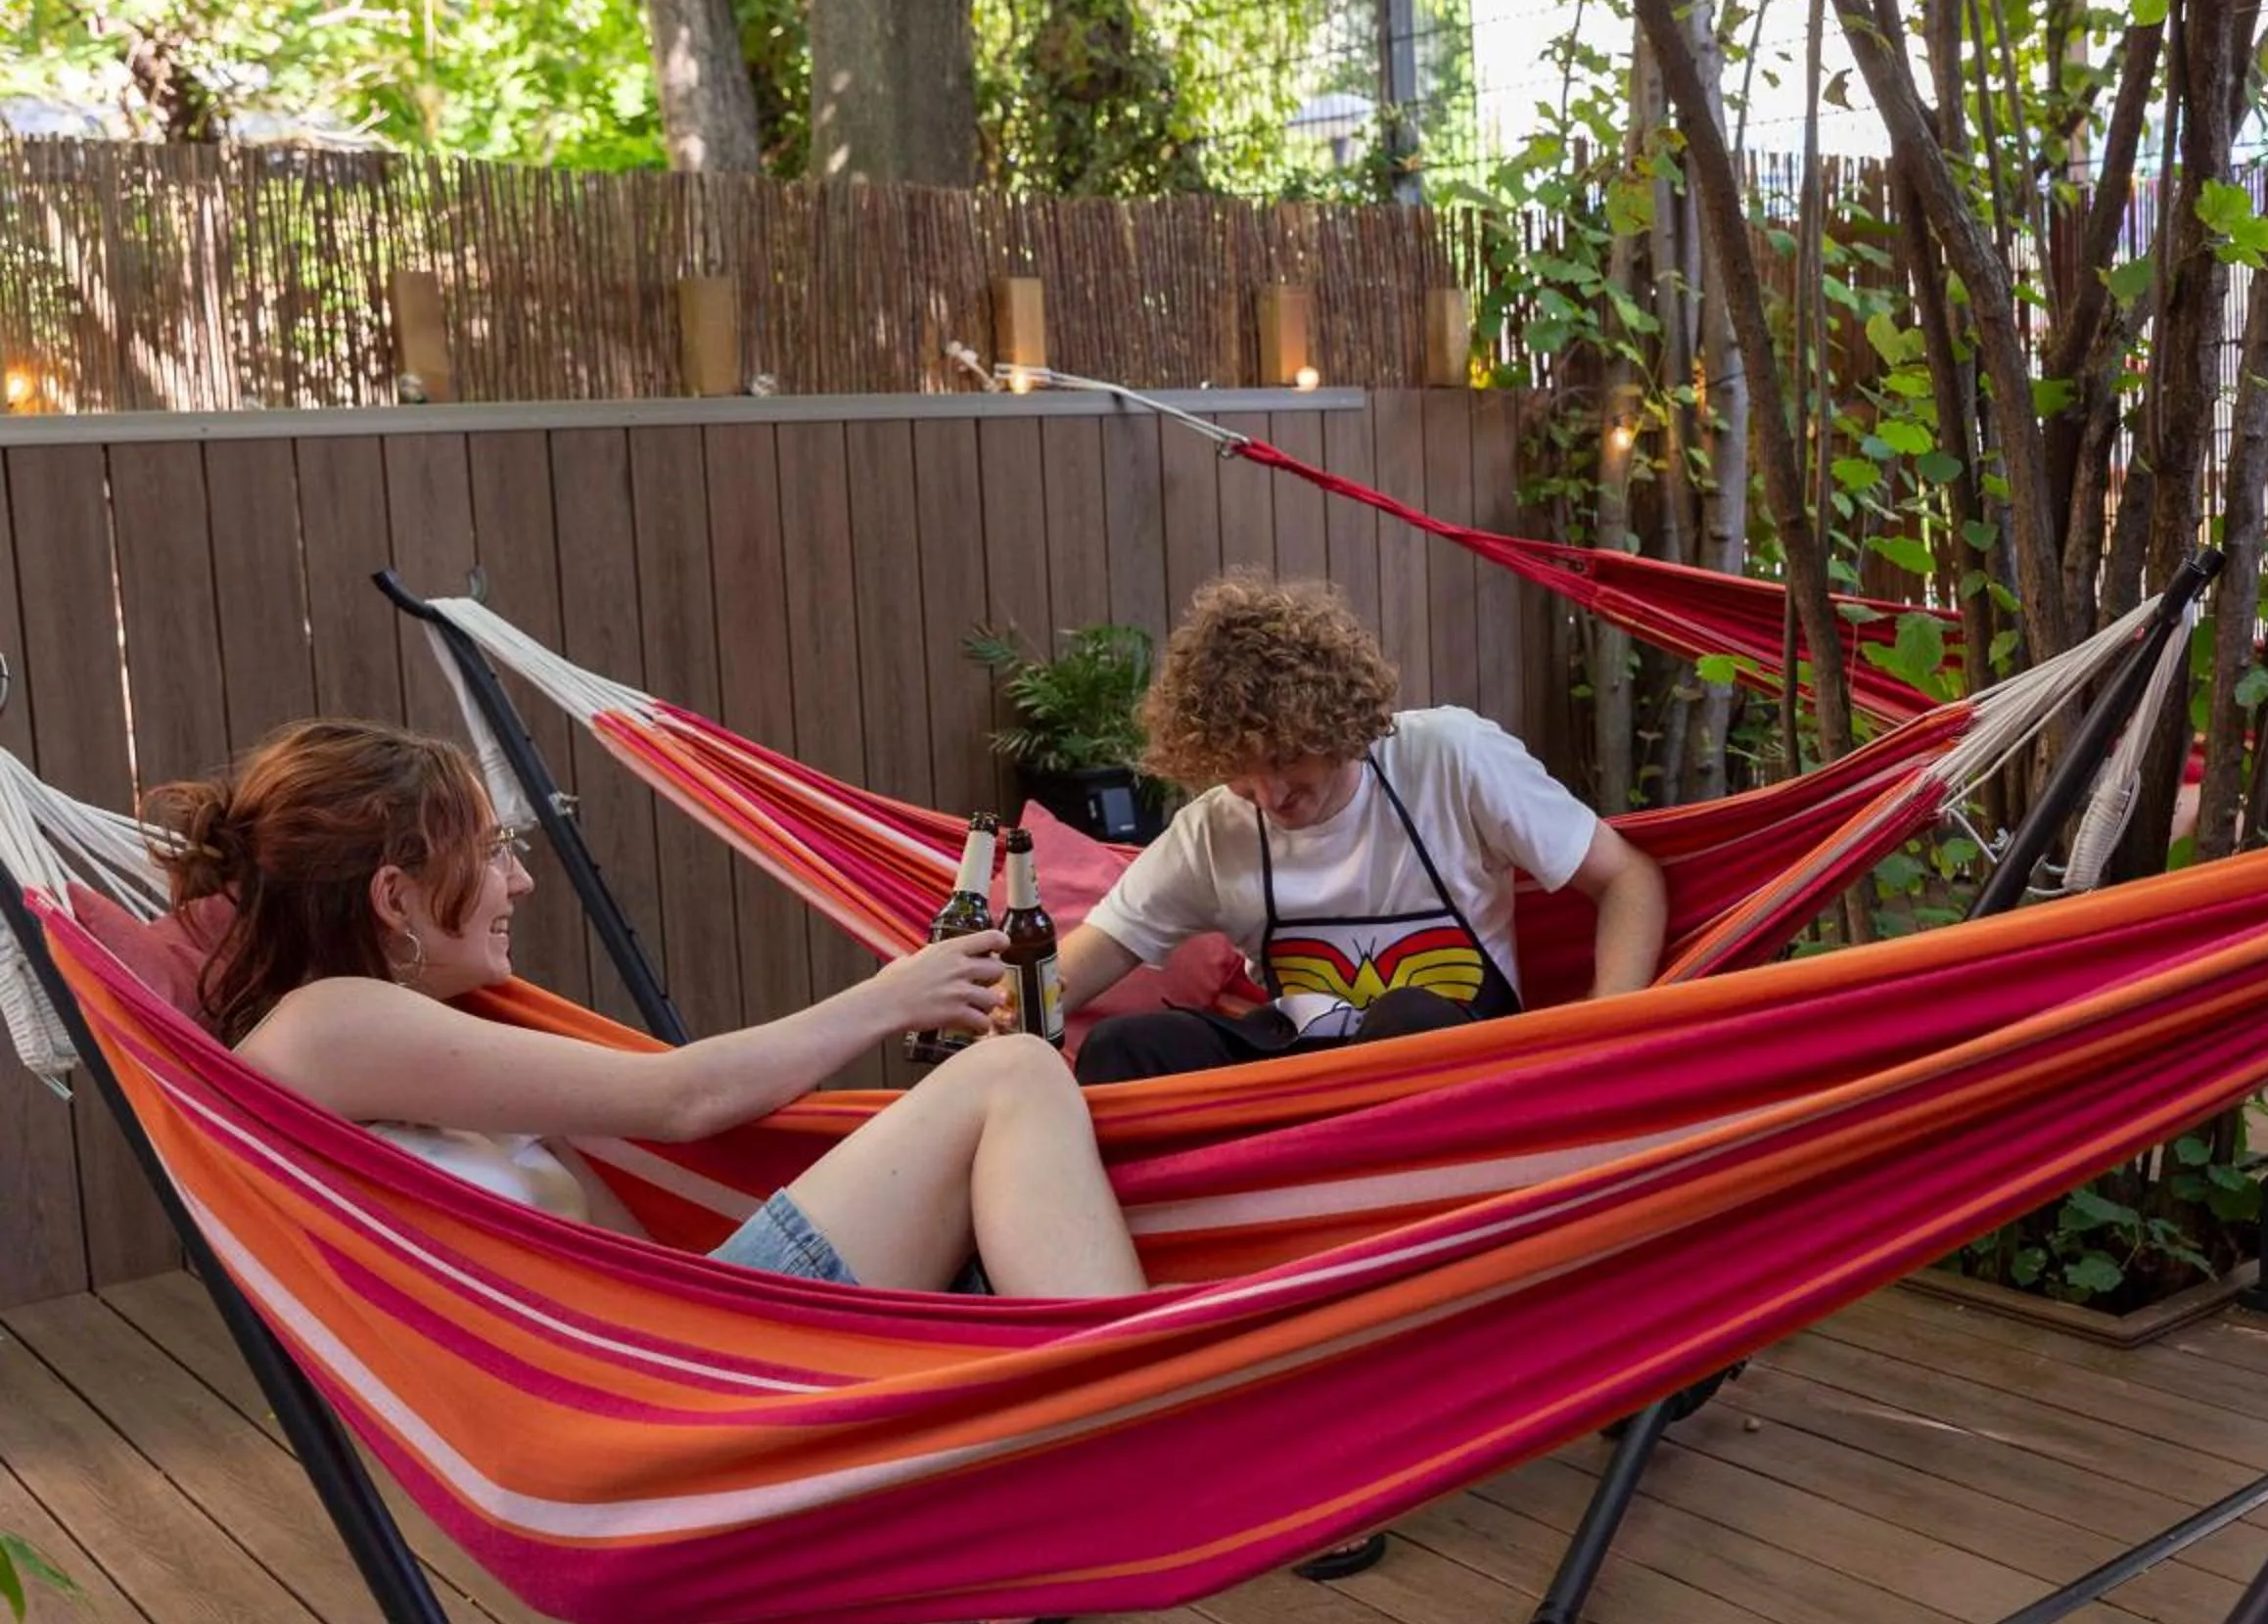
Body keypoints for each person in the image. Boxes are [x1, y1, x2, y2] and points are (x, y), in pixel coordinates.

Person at [153, 718, 1146, 1304]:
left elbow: (640, 1253)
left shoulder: (424, 1045)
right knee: (1011, 1072)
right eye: (494, 851)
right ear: (393, 896)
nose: (521, 881)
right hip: (657, 1387)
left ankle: (1073, 1403)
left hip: (677, 1341)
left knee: (1001, 1120)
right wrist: (893, 997)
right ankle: (1129, 1408)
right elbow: (686, 1096)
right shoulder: (329, 1026)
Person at [1060, 571, 1668, 1084]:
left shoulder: (1450, 758)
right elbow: (1074, 969)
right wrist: (988, 1016)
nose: (1269, 796)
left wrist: (1601, 1031)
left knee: (1402, 1017)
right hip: (1296, 1069)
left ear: (1334, 725)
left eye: (1285, 758)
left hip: (1450, 1066)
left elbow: (1627, 878)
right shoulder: (1212, 831)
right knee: (1121, 1047)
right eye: (1238, 772)